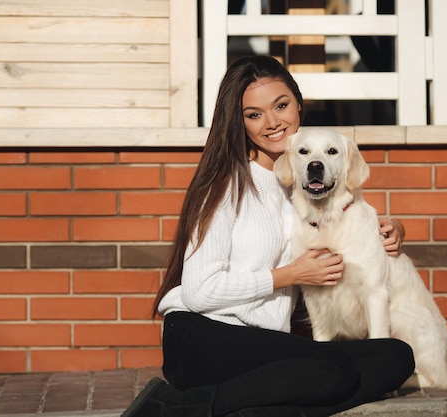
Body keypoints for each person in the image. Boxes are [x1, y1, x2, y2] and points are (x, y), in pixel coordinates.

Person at [122, 55, 414, 417]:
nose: (273, 123)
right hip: (203, 335)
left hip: (264, 342)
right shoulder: (226, 186)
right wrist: (288, 276)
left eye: (281, 105)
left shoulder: (306, 187)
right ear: (239, 122)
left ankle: (247, 408)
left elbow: (343, 237)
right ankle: (175, 409)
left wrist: (388, 230)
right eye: (254, 114)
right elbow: (198, 292)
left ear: (299, 106)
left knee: (395, 357)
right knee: (334, 370)